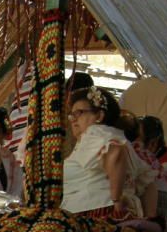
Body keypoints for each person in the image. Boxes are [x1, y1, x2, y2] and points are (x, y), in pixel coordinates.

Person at [61, 87, 156, 221]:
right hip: (102, 209)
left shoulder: (96, 133)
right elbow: (148, 183)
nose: (73, 120)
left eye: (79, 113)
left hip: (94, 213)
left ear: (99, 116)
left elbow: (116, 152)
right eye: (72, 115)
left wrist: (116, 201)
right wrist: (150, 218)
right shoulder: (116, 136)